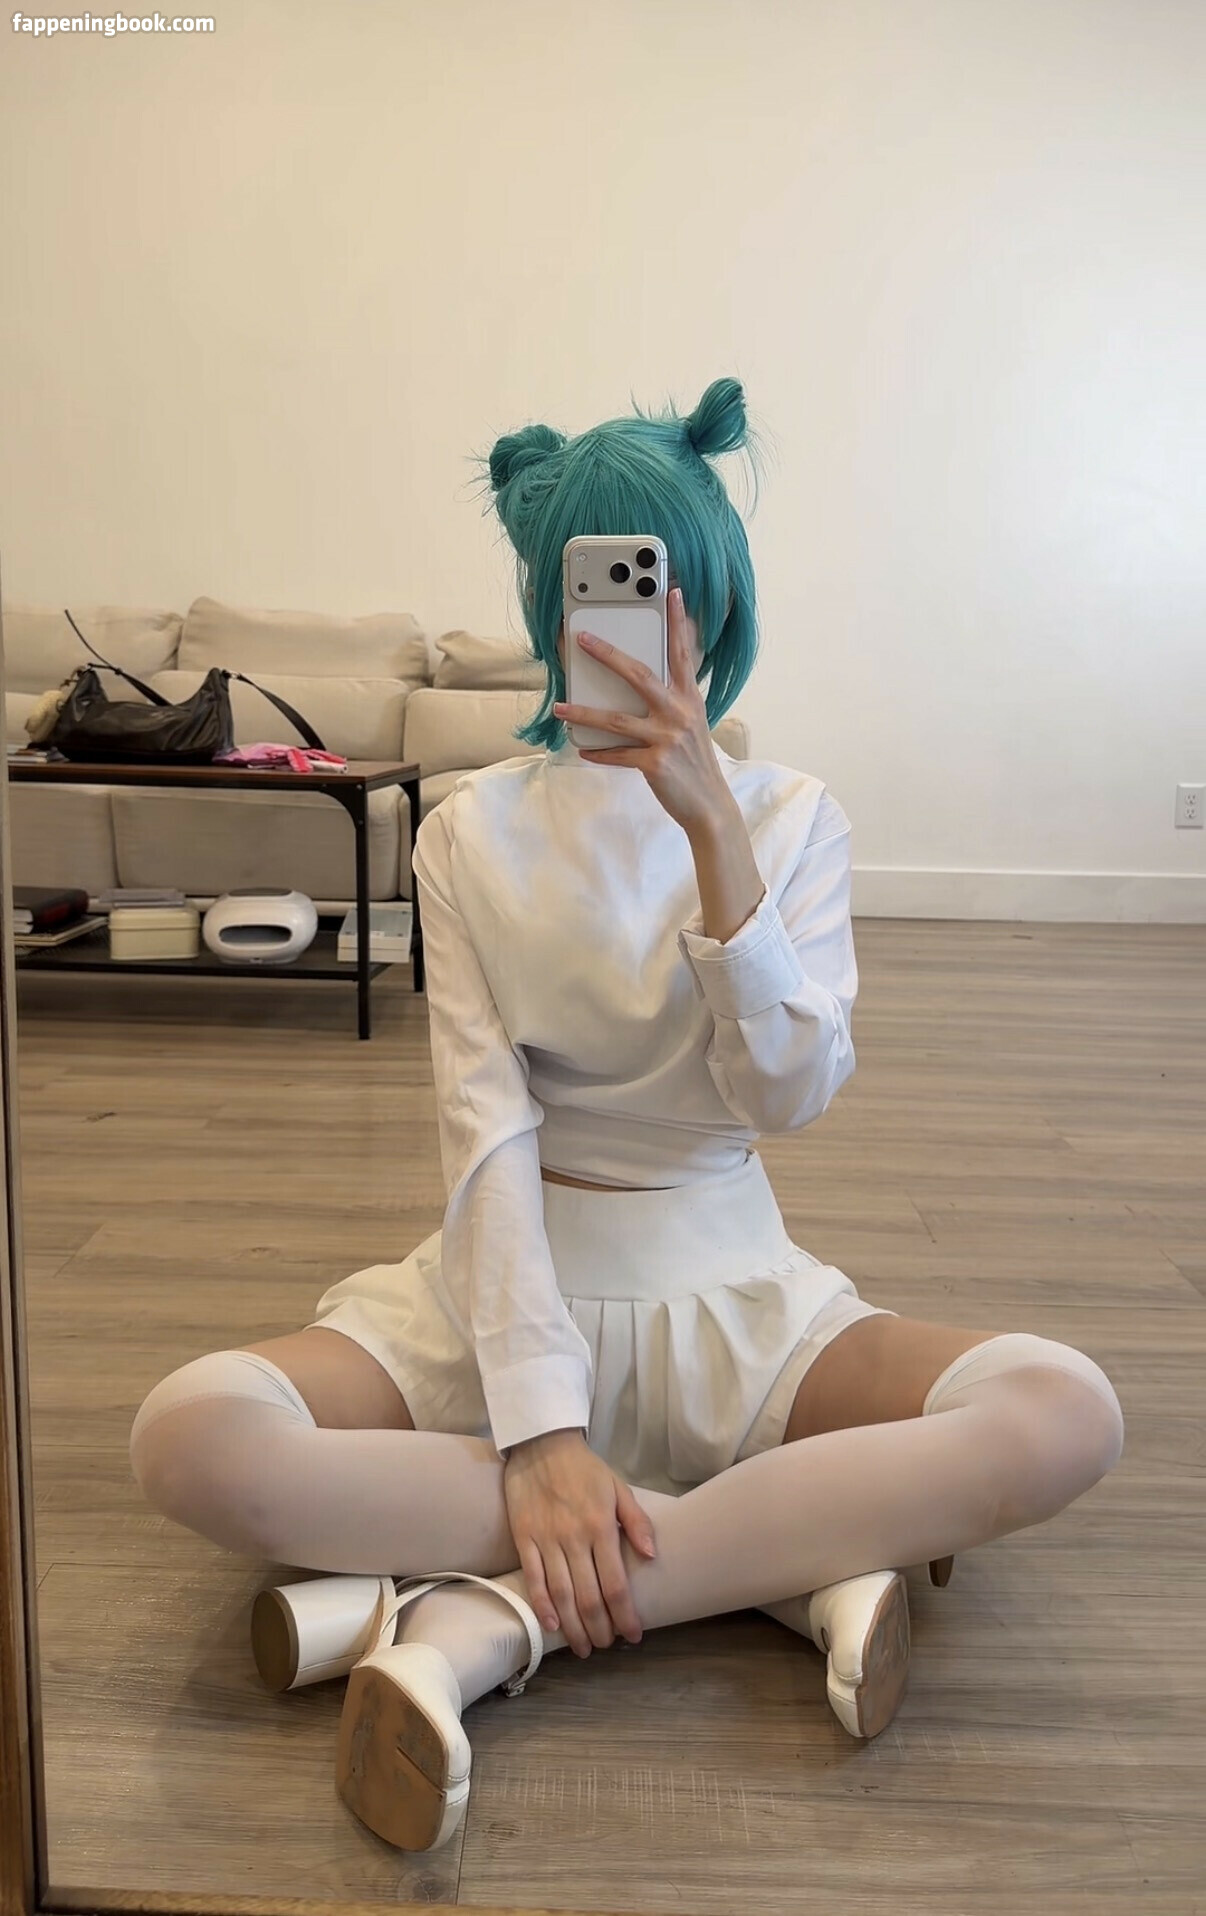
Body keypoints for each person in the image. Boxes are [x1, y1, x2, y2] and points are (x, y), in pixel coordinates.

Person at [129, 378, 1124, 1855]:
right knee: (193, 1436)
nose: (642, 626)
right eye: (600, 589)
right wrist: (541, 1433)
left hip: (737, 1290)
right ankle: (779, 1553)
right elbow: (484, 1134)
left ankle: (485, 1620)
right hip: (504, 1288)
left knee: (1063, 1410)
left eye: (663, 587)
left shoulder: (790, 817)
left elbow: (788, 1094)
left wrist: (712, 827)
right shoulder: (468, 828)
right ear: (555, 609)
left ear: (709, 601)